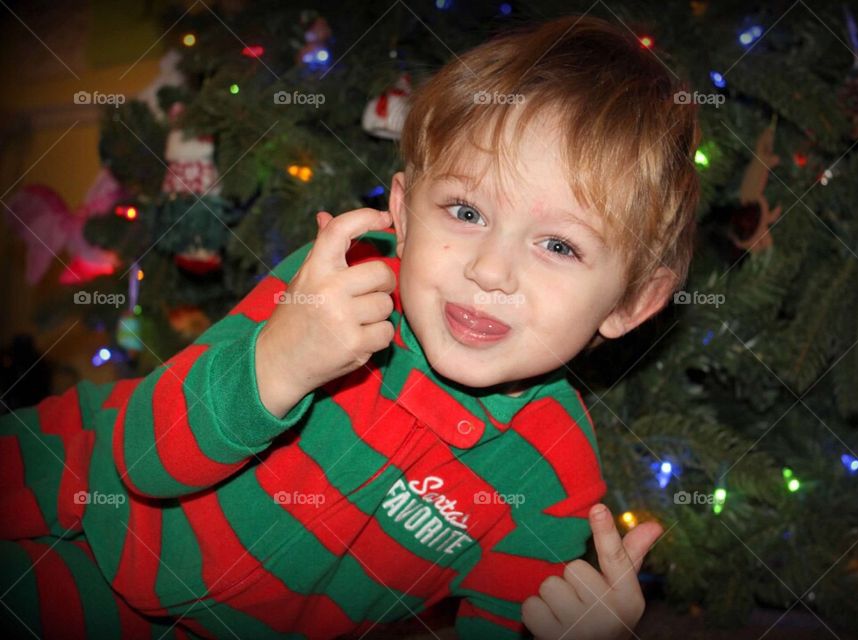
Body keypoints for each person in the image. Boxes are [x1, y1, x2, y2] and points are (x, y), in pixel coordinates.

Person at [0, 13, 699, 640]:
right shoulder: (339, 283)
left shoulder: (551, 484)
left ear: (630, 304)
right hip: (63, 481)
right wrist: (277, 365)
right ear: (402, 206)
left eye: (558, 246)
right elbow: (145, 462)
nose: (491, 270)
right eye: (465, 211)